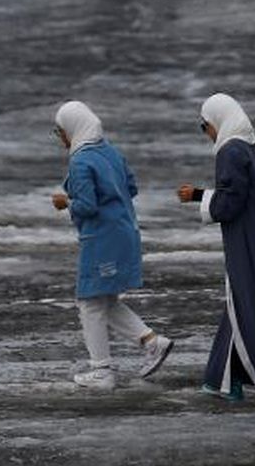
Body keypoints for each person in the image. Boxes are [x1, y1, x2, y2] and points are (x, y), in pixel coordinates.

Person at [177, 93, 255, 403]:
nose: (207, 133)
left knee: (247, 304)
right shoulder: (253, 146)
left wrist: (202, 199)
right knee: (248, 303)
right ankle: (222, 378)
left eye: (204, 126)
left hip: (245, 239)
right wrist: (202, 195)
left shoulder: (229, 150)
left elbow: (229, 203)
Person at [51, 101, 172, 391]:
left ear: (72, 128)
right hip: (125, 231)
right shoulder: (110, 151)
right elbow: (131, 187)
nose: (61, 138)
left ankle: (101, 370)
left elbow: (88, 206)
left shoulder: (80, 161)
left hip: (102, 239)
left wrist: (65, 202)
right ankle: (151, 342)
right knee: (103, 299)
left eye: (60, 132)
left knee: (89, 302)